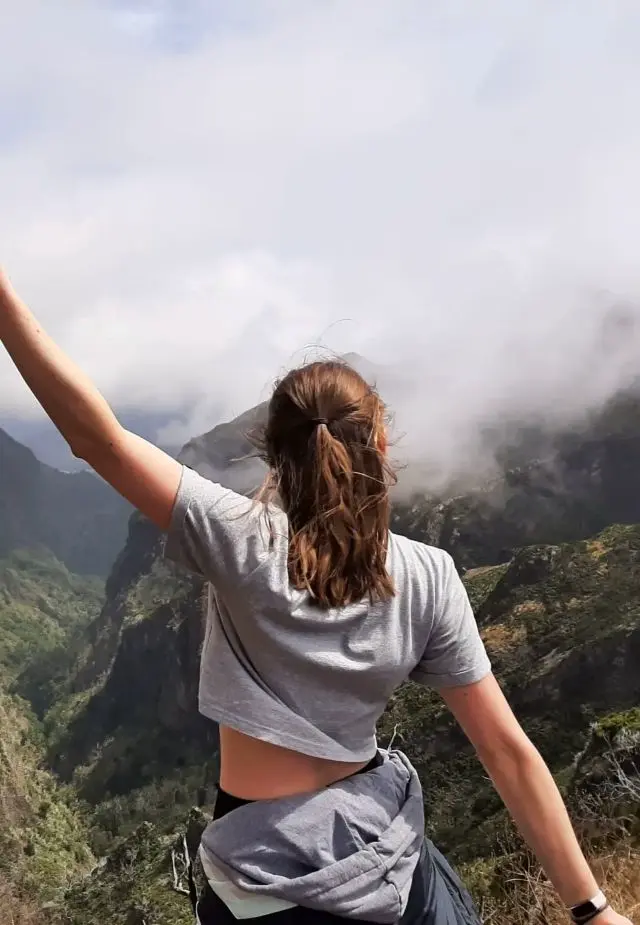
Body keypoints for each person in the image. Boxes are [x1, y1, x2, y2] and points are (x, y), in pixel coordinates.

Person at [0, 267, 633, 925]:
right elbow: (507, 750)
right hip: (385, 862)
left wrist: (5, 303)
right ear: (380, 446)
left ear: (272, 456)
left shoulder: (237, 538)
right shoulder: (430, 576)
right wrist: (592, 908)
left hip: (263, 882)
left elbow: (95, 438)